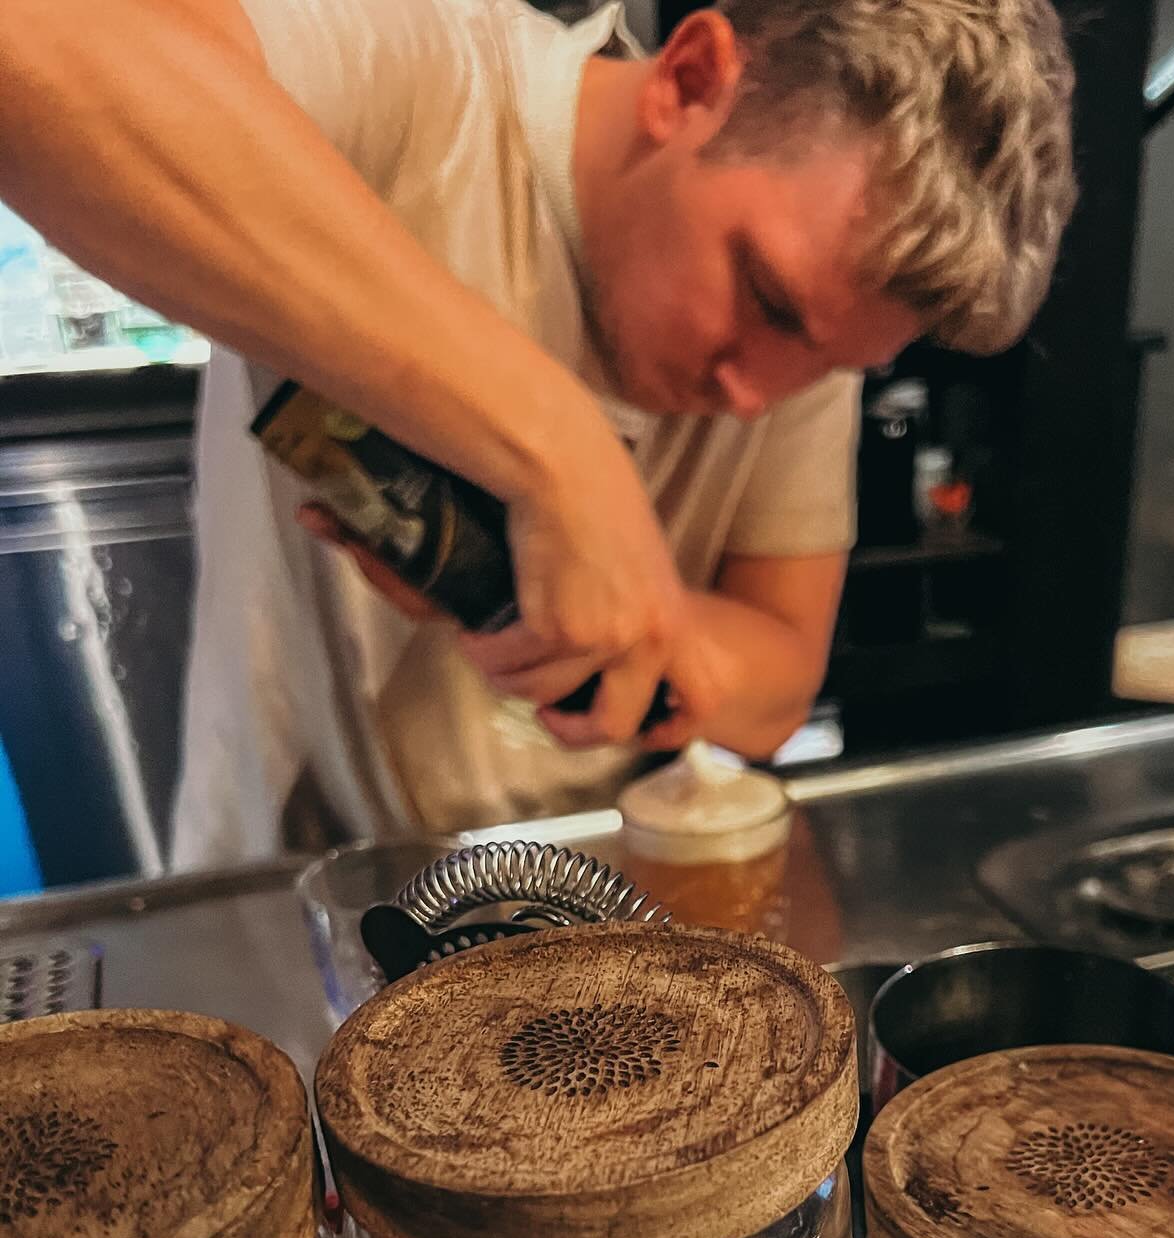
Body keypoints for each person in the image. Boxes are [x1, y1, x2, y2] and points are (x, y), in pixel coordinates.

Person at [0, 0, 1076, 867]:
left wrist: (592, 624)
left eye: (832, 364)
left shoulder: (797, 355)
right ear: (691, 80)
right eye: (766, 297)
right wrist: (554, 454)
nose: (760, 395)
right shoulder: (425, 72)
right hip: (297, 873)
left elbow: (778, 680)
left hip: (591, 891)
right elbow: (42, 46)